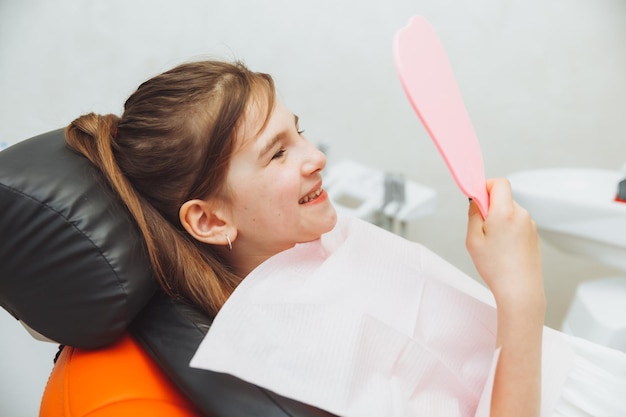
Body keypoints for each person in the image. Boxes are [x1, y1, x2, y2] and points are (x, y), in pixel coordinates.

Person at [63, 60, 614, 417]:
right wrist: (521, 294)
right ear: (210, 221)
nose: (316, 156)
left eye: (298, 130)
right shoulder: (290, 340)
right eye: (278, 151)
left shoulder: (311, 241)